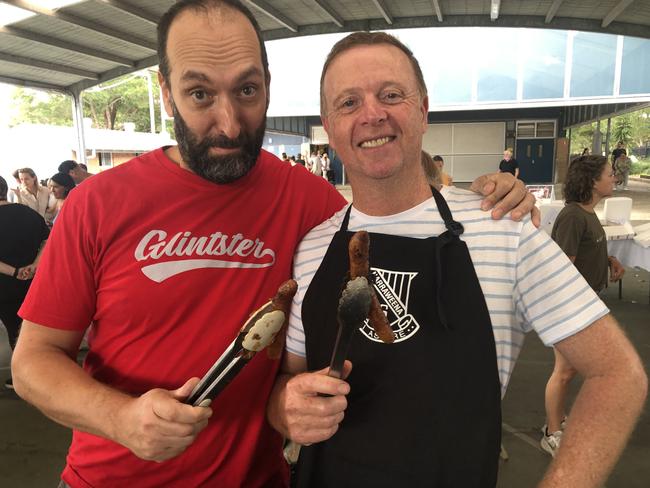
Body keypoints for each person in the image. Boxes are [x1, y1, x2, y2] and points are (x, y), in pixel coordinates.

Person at [12, 2, 534, 486]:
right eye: (199, 94)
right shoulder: (97, 204)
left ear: (268, 85)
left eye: (247, 90)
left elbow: (399, 217)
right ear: (166, 92)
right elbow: (34, 362)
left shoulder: (310, 201)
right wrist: (120, 418)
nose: (229, 122)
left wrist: (491, 200)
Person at [266, 31, 647, 488]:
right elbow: (286, 382)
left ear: (423, 110)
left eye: (391, 95)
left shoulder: (503, 228)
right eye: (348, 103)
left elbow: (617, 373)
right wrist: (283, 407)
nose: (372, 114)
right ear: (329, 127)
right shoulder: (311, 248)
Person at [541, 155, 626, 457]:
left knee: (571, 370)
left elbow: (585, 251)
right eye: (608, 173)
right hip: (570, 308)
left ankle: (556, 421)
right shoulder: (574, 216)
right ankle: (552, 432)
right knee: (564, 371)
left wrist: (608, 260)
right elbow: (562, 267)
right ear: (592, 181)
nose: (613, 177)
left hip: (585, 305)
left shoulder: (587, 214)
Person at [0, 176, 49, 390]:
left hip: (5, 284)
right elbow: (48, 239)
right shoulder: (27, 212)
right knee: (30, 329)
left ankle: (25, 379)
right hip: (33, 282)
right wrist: (34, 266)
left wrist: (15, 271)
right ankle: (40, 376)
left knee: (13, 329)